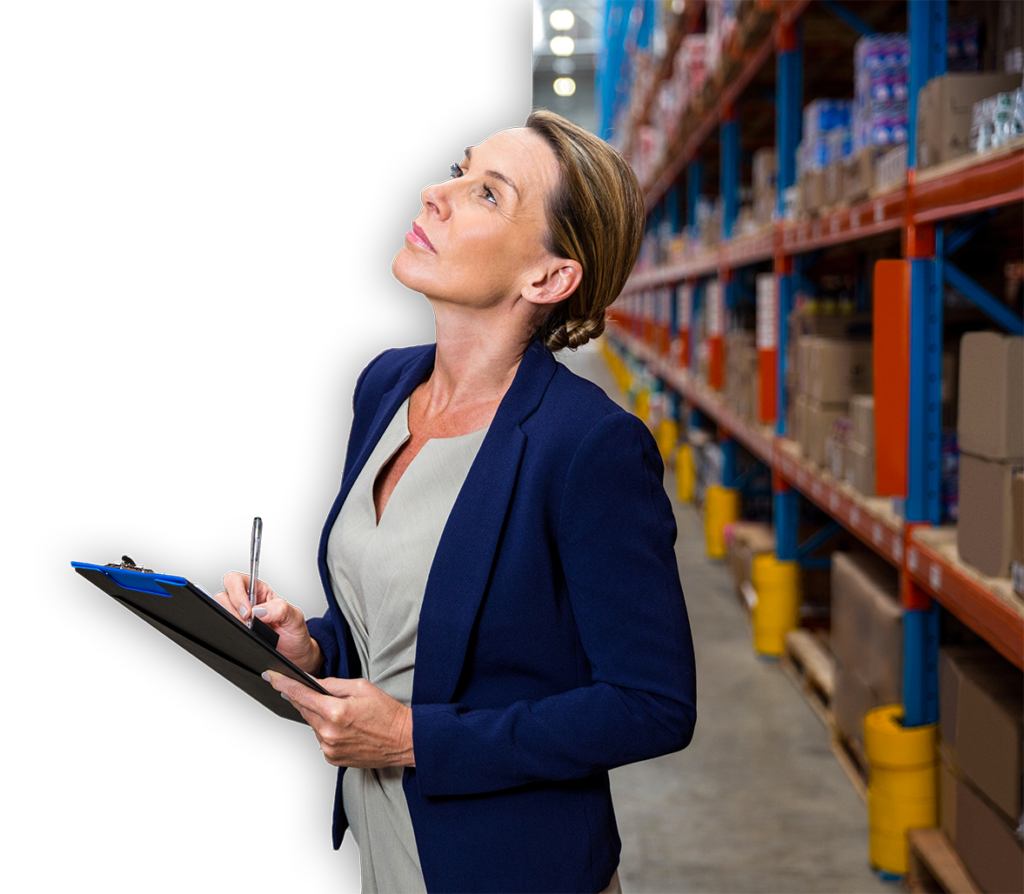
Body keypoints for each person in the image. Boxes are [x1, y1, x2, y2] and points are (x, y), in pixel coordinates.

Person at [216, 108, 697, 894]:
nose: (436, 192)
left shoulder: (587, 446)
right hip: (386, 851)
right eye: (459, 167)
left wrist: (413, 739)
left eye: (487, 194)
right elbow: (409, 639)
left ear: (547, 278)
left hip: (509, 867)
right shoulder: (385, 385)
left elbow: (653, 704)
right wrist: (311, 645)